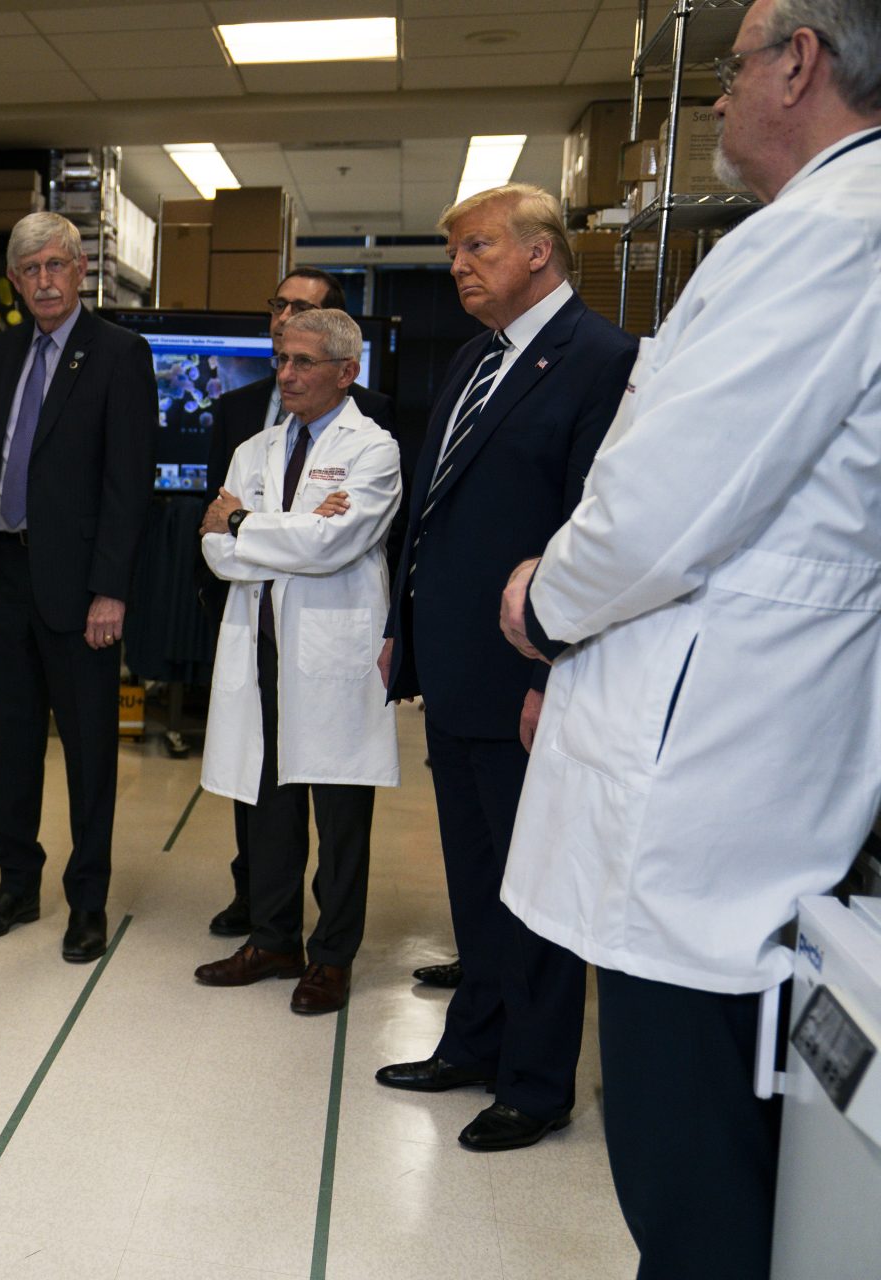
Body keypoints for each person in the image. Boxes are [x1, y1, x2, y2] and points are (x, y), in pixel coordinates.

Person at [498, 1, 881, 1271]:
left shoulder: (833, 233)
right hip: (729, 764)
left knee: (693, 1174)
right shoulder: (824, 228)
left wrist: (543, 606)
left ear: (801, 64)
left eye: (731, 67)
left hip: (710, 799)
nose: (713, 98)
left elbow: (665, 510)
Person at [375, 182, 638, 1153]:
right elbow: (434, 507)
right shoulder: (476, 361)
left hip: (530, 676)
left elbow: (591, 531)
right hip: (451, 664)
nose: (460, 265)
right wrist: (404, 621)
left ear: (540, 252)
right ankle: (475, 1041)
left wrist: (552, 674)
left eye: (477, 246)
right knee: (477, 874)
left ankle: (536, 1080)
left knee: (536, 884)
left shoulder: (601, 362)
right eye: (454, 252)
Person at [193, 309, 402, 1015]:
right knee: (269, 809)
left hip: (333, 653)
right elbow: (214, 551)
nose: (285, 374)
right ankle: (273, 939)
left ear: (347, 372)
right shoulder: (253, 450)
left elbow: (332, 545)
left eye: (303, 362)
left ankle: (332, 956)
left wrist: (248, 524)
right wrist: (285, 532)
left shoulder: (373, 451)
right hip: (262, 645)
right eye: (282, 359)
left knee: (340, 814)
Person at [0, 212, 156, 964]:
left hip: (80, 589)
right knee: (10, 744)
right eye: (29, 269)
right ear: (14, 281)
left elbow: (127, 483)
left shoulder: (118, 354)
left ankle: (88, 901)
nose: (43, 280)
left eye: (55, 265)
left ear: (80, 272)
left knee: (87, 751)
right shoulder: (1, 349)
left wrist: (112, 590)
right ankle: (17, 885)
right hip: (7, 574)